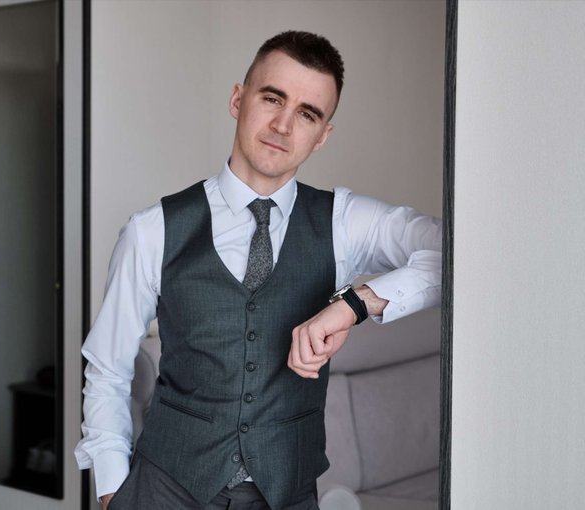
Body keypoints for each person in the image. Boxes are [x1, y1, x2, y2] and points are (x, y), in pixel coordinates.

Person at [75, 31, 442, 510]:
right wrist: (112, 493)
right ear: (238, 99)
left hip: (287, 494)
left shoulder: (343, 222)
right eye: (273, 98)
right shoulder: (152, 230)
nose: (283, 126)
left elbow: (457, 254)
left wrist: (356, 304)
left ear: (322, 135)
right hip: (164, 490)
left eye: (307, 114)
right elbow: (107, 370)